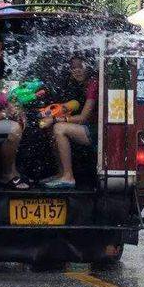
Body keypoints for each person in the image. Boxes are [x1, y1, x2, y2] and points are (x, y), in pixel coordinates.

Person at [40, 55, 99, 189]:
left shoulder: (93, 84)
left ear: (88, 67)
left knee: (59, 128)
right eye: (73, 68)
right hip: (88, 127)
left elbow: (83, 117)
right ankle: (61, 173)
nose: (77, 71)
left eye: (81, 67)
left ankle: (68, 177)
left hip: (97, 131)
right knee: (52, 128)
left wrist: (55, 119)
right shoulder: (78, 85)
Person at [0, 38, 28, 190]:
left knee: (19, 125)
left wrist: (19, 112)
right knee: (14, 130)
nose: (1, 54)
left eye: (1, 50)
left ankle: (14, 172)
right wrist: (5, 114)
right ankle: (7, 174)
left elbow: (6, 101)